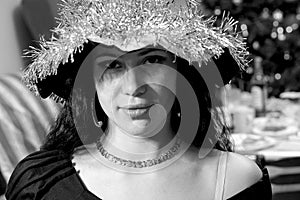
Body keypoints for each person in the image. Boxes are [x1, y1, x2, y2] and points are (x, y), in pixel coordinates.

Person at [6, 0, 272, 199]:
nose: (134, 87)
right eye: (112, 65)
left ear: (182, 72)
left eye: (152, 60)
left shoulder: (238, 179)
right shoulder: (42, 185)